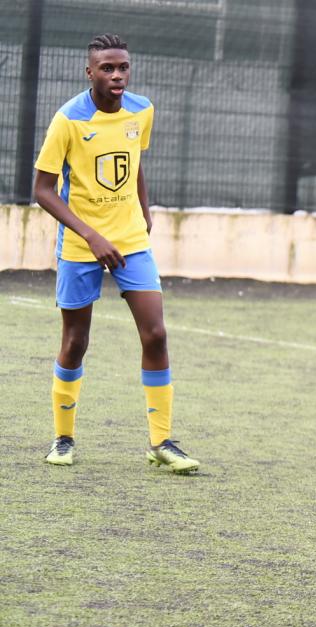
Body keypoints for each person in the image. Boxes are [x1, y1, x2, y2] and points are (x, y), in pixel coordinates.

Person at [34, 34, 199, 475]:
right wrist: (91, 235)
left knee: (156, 334)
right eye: (107, 68)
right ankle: (63, 438)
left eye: (123, 67)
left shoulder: (142, 110)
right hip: (80, 244)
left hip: (130, 240)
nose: (117, 75)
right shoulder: (68, 120)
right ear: (89, 72)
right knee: (75, 342)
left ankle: (161, 442)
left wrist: (144, 212)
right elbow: (42, 190)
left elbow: (134, 163)